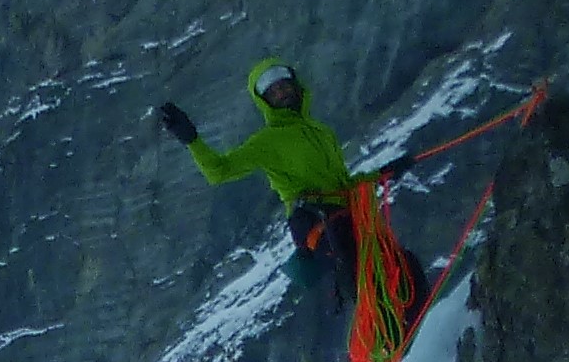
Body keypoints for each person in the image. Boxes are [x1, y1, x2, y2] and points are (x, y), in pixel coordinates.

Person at [155, 60, 416, 330]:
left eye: (283, 86)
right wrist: (192, 140)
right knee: (361, 268)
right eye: (273, 92)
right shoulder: (267, 141)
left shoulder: (321, 132)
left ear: (295, 85)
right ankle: (391, 334)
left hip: (344, 212)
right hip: (314, 219)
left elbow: (343, 184)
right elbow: (219, 171)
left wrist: (383, 173)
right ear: (264, 101)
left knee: (399, 263)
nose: (282, 93)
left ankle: (408, 323)